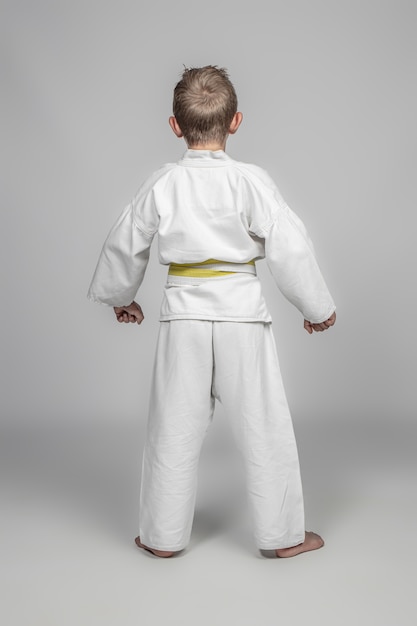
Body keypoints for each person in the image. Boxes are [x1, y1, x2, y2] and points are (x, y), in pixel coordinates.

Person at [87, 66, 336, 559]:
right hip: (242, 316)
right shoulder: (250, 181)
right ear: (236, 121)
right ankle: (283, 537)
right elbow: (290, 246)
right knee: (264, 425)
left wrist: (122, 298)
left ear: (175, 126)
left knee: (173, 428)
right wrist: (316, 307)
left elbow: (125, 241)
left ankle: (161, 537)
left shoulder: (163, 183)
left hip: (183, 318)